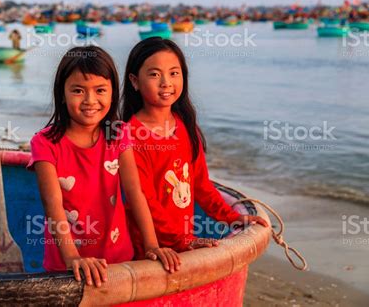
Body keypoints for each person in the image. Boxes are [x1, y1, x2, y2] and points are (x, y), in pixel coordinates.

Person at [27, 46, 180, 287]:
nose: (90, 101)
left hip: (119, 256)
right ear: (62, 93)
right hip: (67, 264)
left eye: (100, 90)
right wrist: (73, 258)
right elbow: (53, 206)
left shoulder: (118, 134)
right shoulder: (45, 142)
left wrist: (152, 246)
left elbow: (134, 193)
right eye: (78, 90)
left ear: (112, 93)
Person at [121, 37, 268, 258]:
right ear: (134, 81)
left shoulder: (185, 125)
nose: (166, 82)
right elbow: (143, 199)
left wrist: (230, 217)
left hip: (183, 241)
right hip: (148, 248)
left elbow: (200, 184)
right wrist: (180, 241)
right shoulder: (130, 135)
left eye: (174, 73)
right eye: (154, 74)